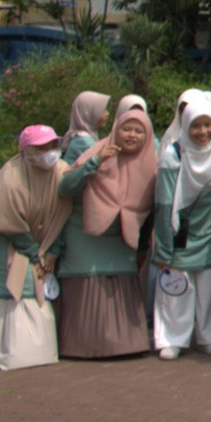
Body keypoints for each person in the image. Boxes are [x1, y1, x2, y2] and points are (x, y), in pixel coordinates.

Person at [56, 104, 157, 359]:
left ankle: (125, 345)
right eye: (126, 129)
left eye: (139, 131)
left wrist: (143, 247)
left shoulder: (151, 164)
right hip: (85, 233)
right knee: (87, 281)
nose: (132, 135)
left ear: (147, 136)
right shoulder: (97, 151)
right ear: (116, 130)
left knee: (121, 281)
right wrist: (95, 162)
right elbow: (66, 188)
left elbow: (151, 212)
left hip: (123, 236)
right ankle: (82, 347)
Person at [0, 125, 73, 370]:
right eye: (41, 147)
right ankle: (4, 350)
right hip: (2, 234)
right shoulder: (9, 179)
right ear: (26, 151)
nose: (49, 152)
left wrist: (52, 250)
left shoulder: (61, 171)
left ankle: (40, 349)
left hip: (40, 238)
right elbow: (7, 222)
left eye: (53, 145)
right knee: (15, 282)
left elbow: (62, 213)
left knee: (35, 279)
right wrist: (35, 254)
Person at [150, 97, 211, 359]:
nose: (203, 132)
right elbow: (164, 202)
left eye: (208, 124)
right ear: (185, 125)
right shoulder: (173, 155)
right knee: (176, 285)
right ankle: (171, 338)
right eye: (195, 126)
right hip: (180, 232)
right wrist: (164, 247)